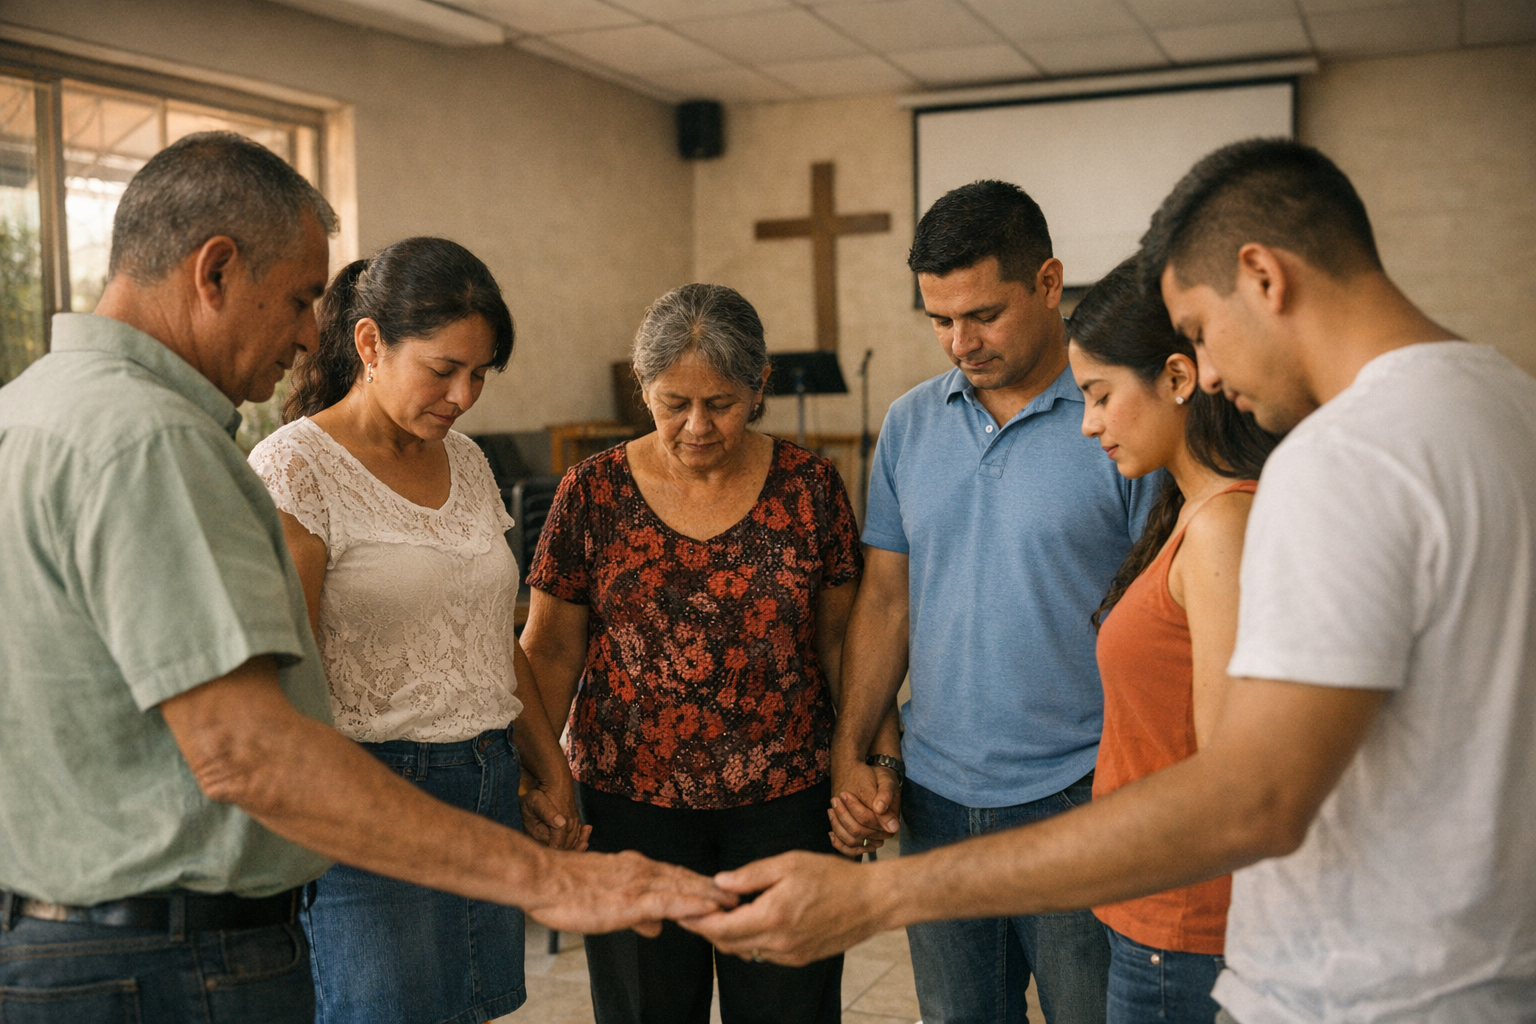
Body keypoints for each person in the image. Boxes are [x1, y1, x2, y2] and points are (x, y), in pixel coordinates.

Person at [683, 138, 1536, 1023]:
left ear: (1264, 277)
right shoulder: (1504, 404)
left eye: (1200, 334)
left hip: (1372, 982)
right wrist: (866, 750)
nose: (1203, 376)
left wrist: (878, 899)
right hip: (1475, 963)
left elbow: (1251, 795)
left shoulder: (1339, 459)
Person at [0, 131, 728, 1023]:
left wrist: (538, 774)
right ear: (215, 271)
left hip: (83, 931)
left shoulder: (33, 408)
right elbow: (250, 748)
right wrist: (547, 879)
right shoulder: (157, 444)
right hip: (165, 948)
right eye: (304, 297)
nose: (313, 330)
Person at [823, 179, 1156, 1022]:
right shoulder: (908, 424)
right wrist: (852, 746)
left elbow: (1164, 616)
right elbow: (886, 602)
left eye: (983, 314)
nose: (959, 342)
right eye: (939, 320)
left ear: (1049, 283)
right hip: (937, 797)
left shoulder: (1120, 417)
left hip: (1083, 794)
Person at [520, 283, 881, 1024]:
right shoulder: (593, 493)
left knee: (790, 1006)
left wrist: (864, 756)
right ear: (641, 389)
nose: (696, 426)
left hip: (786, 799)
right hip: (628, 805)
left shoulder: (810, 488)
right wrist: (543, 776)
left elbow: (845, 640)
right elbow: (551, 649)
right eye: (672, 402)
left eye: (720, 403)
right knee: (645, 1008)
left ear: (760, 388)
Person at [248, 236, 586, 1023]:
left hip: (487, 781)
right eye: (444, 370)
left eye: (481, 374)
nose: (465, 394)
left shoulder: (465, 460)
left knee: (470, 1010)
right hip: (367, 798)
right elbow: (285, 681)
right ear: (370, 343)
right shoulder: (296, 467)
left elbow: (487, 638)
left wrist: (550, 767)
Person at [1068, 258, 1277, 1023]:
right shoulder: (1186, 510)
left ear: (1180, 378)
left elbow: (1225, 769)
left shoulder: (1225, 523)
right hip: (1150, 904)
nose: (1088, 423)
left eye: (1099, 396)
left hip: (1187, 921)